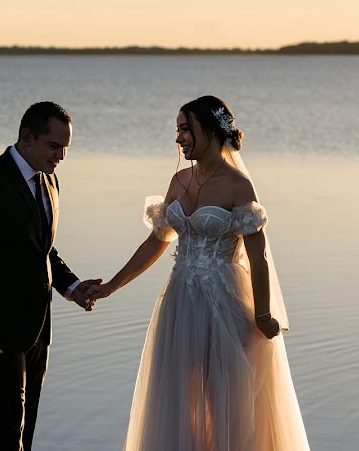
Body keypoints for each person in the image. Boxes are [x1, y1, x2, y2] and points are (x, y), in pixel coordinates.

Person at [88, 95, 309, 450]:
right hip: (180, 302)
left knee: (227, 400)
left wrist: (264, 313)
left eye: (186, 129)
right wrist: (112, 286)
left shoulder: (238, 186)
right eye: (177, 130)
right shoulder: (178, 181)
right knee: (178, 397)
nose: (179, 138)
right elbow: (156, 243)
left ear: (210, 130)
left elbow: (258, 257)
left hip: (227, 303)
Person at [0, 101, 101, 451]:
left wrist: (73, 287)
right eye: (54, 147)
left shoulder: (50, 181)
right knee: (4, 433)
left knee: (24, 430)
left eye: (66, 148)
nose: (61, 156)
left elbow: (42, 250)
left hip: (37, 330)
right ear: (27, 137)